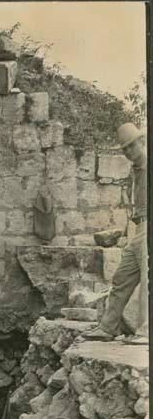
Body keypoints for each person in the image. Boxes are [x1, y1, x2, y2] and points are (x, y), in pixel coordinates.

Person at [84, 123, 148, 345]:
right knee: (122, 278)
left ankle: (146, 332)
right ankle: (108, 327)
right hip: (139, 228)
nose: (128, 152)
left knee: (147, 280)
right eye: (124, 149)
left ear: (142, 142)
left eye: (131, 146)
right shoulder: (136, 170)